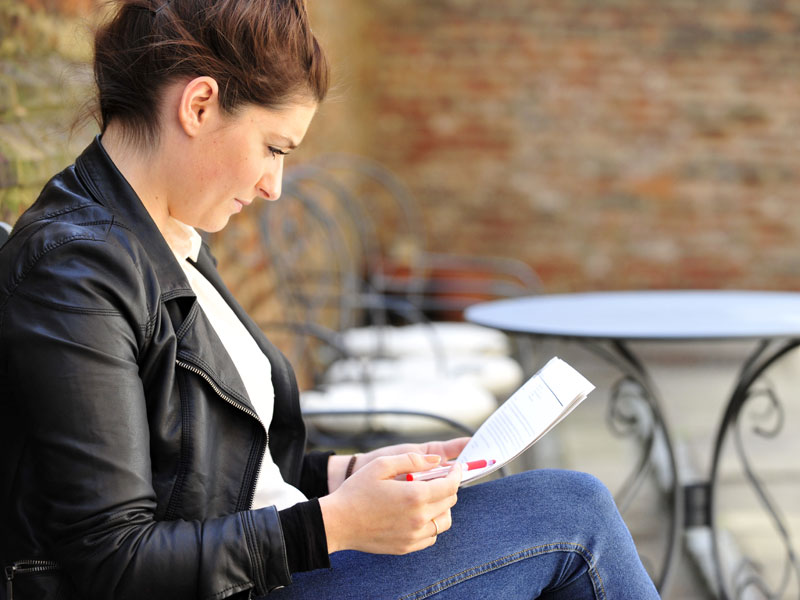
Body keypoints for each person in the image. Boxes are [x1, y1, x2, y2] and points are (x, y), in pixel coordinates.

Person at [0, 0, 661, 598]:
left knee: (567, 510)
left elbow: (215, 471)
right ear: (199, 105)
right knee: (574, 518)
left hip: (268, 565)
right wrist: (331, 526)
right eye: (272, 147)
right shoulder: (74, 271)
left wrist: (346, 474)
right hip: (243, 585)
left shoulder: (167, 233)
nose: (273, 185)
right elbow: (114, 562)